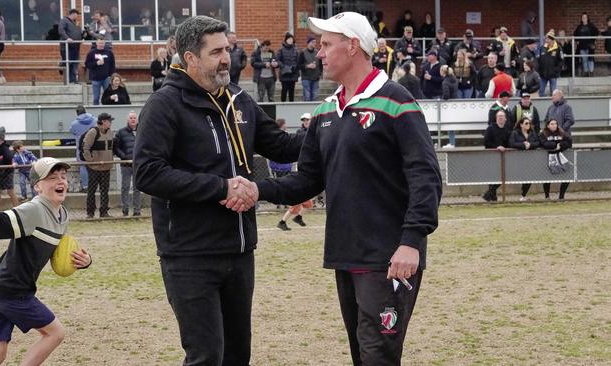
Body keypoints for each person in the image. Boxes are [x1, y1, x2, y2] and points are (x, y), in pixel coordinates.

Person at [239, 12, 442, 366]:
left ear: (353, 47)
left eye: (326, 45)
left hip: (390, 257)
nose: (318, 53)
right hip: (345, 254)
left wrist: (411, 241)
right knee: (362, 353)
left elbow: (426, 176)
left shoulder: (397, 101)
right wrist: (258, 190)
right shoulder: (325, 111)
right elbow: (307, 181)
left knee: (378, 353)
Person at [134, 15, 304, 365]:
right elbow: (148, 174)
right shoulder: (164, 105)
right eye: (216, 52)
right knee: (207, 356)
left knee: (237, 355)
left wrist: (331, 128)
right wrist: (220, 187)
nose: (227, 57)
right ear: (190, 58)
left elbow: (284, 147)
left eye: (227, 48)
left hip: (240, 251)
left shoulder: (239, 100)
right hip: (190, 255)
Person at [0, 157, 92, 366]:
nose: (60, 181)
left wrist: (85, 261)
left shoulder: (62, 214)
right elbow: (2, 220)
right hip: (10, 291)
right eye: (52, 177)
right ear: (37, 187)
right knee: (55, 333)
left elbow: (59, 253)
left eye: (63, 176)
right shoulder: (35, 209)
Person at [82, 112, 114, 218]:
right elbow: (85, 147)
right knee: (92, 190)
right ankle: (90, 212)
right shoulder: (93, 132)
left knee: (105, 190)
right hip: (94, 167)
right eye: (109, 121)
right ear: (104, 122)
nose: (110, 123)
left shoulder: (110, 132)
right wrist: (90, 160)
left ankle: (104, 211)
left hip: (106, 166)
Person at [114, 111, 141, 216]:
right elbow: (116, 148)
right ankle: (125, 209)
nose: (133, 119)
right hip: (126, 164)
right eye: (131, 118)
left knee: (137, 188)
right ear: (127, 120)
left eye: (134, 118)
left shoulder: (142, 131)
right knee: (125, 187)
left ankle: (137, 210)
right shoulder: (121, 132)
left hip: (138, 164)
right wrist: (123, 156)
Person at [508, 117, 539, 201]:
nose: (528, 125)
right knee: (520, 176)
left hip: (530, 159)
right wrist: (523, 144)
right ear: (521, 124)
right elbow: (511, 143)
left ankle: (523, 195)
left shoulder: (533, 133)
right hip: (518, 159)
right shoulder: (515, 133)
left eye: (529, 123)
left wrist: (530, 145)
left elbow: (538, 143)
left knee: (530, 177)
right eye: (526, 123)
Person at [482, 110, 511, 202]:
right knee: (493, 176)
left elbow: (509, 143)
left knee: (503, 176)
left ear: (505, 119)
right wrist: (496, 147)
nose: (500, 118)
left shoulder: (507, 130)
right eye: (499, 116)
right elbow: (486, 142)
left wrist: (505, 148)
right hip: (492, 156)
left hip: (504, 157)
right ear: (496, 118)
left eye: (502, 116)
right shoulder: (490, 129)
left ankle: (489, 194)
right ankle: (492, 196)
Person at [540, 119, 572, 199]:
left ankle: (561, 196)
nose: (554, 125)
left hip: (561, 157)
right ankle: (547, 196)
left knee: (566, 175)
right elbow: (543, 144)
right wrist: (554, 145)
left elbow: (569, 142)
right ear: (548, 125)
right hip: (549, 158)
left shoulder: (561, 132)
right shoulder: (543, 134)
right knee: (547, 177)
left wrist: (560, 145)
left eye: (555, 124)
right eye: (552, 124)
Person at [69, 105, 96, 192]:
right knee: (94, 166)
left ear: (77, 113)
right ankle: (94, 186)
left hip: (81, 147)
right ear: (85, 111)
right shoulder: (95, 120)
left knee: (83, 166)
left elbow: (72, 131)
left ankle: (85, 186)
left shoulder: (74, 124)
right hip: (94, 146)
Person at [84, 36, 116, 105]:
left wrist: (112, 76)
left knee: (108, 96)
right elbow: (87, 64)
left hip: (106, 78)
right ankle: (96, 111)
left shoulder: (109, 52)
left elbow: (112, 65)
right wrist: (96, 63)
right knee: (96, 98)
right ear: (96, 43)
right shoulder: (91, 53)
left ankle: (108, 110)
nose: (101, 44)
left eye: (102, 43)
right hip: (95, 79)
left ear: (104, 43)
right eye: (99, 43)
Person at [0, 127, 19, 207]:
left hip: (7, 173)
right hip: (0, 173)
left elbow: (9, 158)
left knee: (10, 192)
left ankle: (17, 208)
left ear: (0, 138)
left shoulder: (5, 148)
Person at [58, 9, 82, 84]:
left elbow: (77, 33)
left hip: (76, 46)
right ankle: (70, 79)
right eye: (77, 14)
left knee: (75, 62)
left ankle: (73, 79)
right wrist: (67, 38)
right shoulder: (64, 20)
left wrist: (82, 36)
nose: (77, 16)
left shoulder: (75, 23)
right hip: (67, 46)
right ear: (73, 14)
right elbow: (61, 30)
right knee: (69, 62)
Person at [538, 31, 563, 97]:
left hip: (553, 75)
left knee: (553, 93)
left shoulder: (558, 48)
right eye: (545, 39)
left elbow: (561, 61)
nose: (545, 40)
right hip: (543, 74)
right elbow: (539, 60)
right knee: (541, 92)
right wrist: (540, 70)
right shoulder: (542, 48)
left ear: (551, 40)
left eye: (547, 39)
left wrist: (556, 70)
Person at [573, 12, 599, 77]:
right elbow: (575, 34)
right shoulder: (579, 27)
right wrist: (577, 41)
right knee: (584, 59)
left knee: (590, 59)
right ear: (581, 19)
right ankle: (586, 72)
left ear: (587, 18)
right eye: (583, 17)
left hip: (590, 45)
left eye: (585, 17)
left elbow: (597, 32)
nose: (584, 18)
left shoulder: (591, 26)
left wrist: (594, 40)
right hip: (581, 46)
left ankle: (591, 72)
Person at [277, 32, 299, 102]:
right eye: (289, 39)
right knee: (284, 90)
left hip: (293, 73)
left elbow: (297, 61)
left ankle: (291, 105)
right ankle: (282, 105)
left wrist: (294, 67)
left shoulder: (295, 50)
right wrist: (284, 67)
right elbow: (278, 60)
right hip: (284, 74)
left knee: (291, 91)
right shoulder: (281, 50)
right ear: (286, 40)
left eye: (291, 39)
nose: (290, 40)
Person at [299, 35, 323, 101]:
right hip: (306, 78)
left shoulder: (318, 52)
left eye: (315, 42)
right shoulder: (303, 53)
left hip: (315, 77)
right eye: (312, 42)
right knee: (307, 96)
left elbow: (321, 64)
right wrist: (307, 66)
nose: (314, 44)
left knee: (315, 96)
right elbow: (299, 65)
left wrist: (319, 73)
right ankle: (306, 111)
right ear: (308, 43)